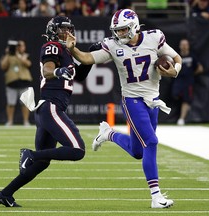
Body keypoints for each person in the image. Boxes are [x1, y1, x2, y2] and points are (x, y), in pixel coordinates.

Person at [66, 8, 182, 208]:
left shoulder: (154, 38)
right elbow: (87, 59)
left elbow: (177, 59)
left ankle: (108, 134)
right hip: (132, 99)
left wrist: (174, 71)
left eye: (122, 30)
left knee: (138, 152)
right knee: (151, 142)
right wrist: (73, 50)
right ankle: (155, 196)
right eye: (117, 30)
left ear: (134, 26)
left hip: (153, 100)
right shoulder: (112, 46)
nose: (118, 34)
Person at [0, 15, 98, 207]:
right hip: (51, 107)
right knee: (77, 150)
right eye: (62, 29)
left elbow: (80, 75)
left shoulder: (66, 50)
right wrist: (57, 71)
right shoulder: (52, 46)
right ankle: (30, 154)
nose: (67, 32)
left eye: (69, 29)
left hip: (47, 110)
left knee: (43, 162)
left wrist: (92, 54)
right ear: (53, 31)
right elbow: (47, 70)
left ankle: (5, 193)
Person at [0, 40, 33, 126]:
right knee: (11, 103)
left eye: (20, 46)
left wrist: (18, 55)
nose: (18, 48)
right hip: (11, 82)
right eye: (17, 46)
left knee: (24, 103)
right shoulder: (8, 56)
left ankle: (26, 121)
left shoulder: (26, 55)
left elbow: (28, 64)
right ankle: (10, 121)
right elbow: (3, 66)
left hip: (24, 82)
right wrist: (8, 53)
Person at [172, 38, 204, 125]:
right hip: (178, 80)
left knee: (186, 99)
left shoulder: (192, 56)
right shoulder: (177, 57)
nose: (184, 46)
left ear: (188, 46)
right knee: (175, 95)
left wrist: (191, 73)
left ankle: (182, 118)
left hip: (188, 81)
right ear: (179, 46)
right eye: (182, 44)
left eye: (186, 45)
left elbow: (200, 68)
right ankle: (178, 113)